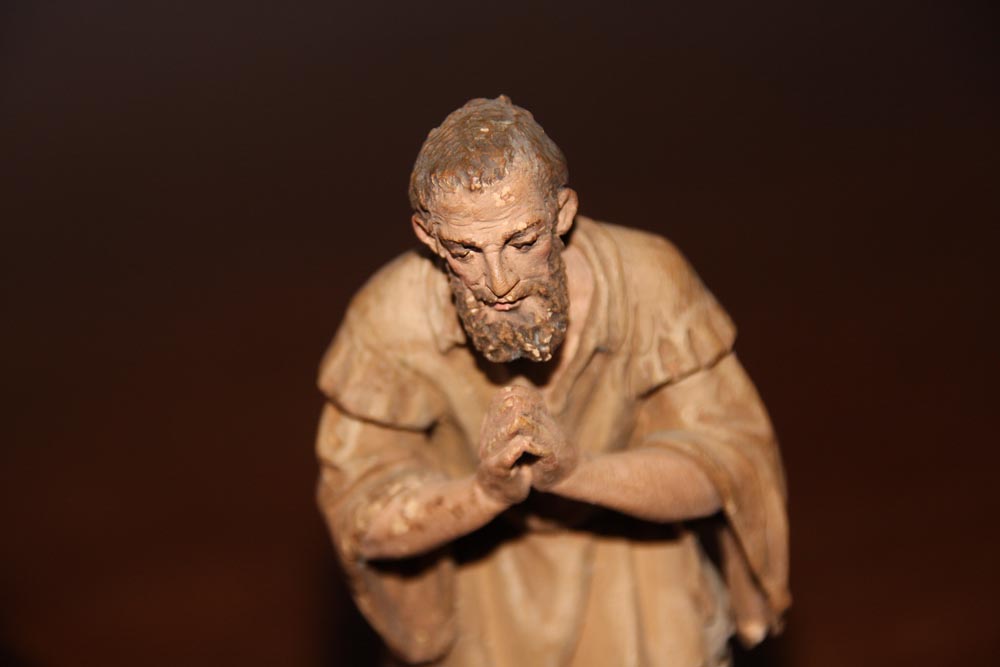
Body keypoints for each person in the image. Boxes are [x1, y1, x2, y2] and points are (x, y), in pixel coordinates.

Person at [315, 96, 790, 666]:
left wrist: (577, 471)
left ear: (562, 213)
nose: (498, 282)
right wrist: (483, 494)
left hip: (636, 561)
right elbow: (359, 515)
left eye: (522, 242)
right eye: (465, 251)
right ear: (429, 236)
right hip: (479, 573)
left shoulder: (648, 281)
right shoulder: (390, 320)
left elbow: (729, 465)